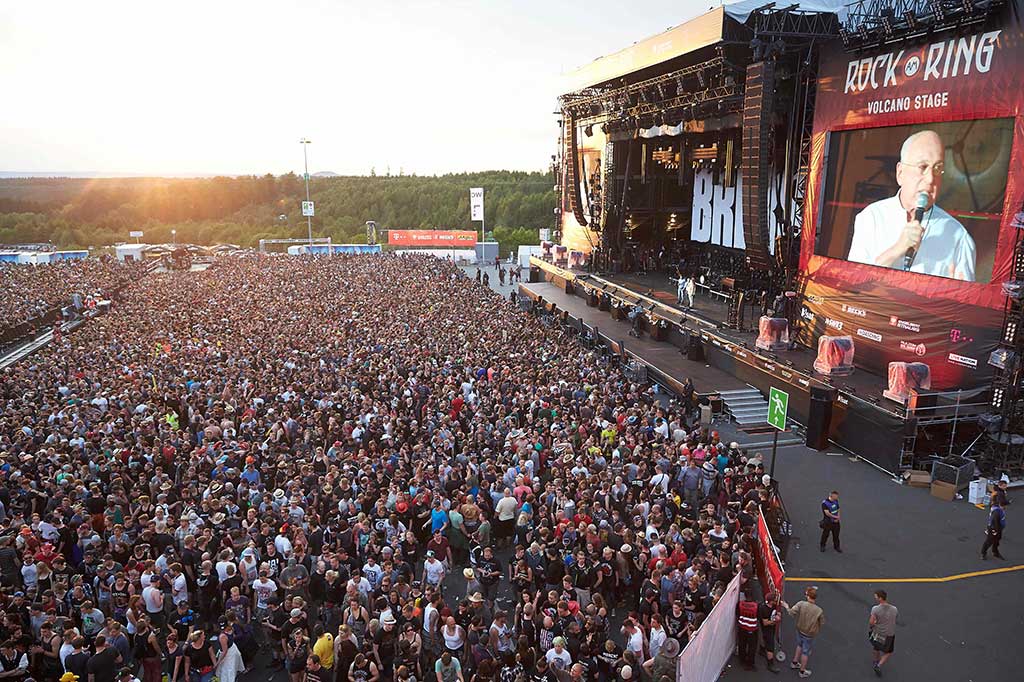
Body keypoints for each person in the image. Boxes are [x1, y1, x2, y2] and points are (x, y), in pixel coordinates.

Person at [847, 129, 975, 281]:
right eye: (923, 167)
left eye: (937, 168)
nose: (930, 179)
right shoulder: (872, 217)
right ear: (900, 173)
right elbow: (853, 283)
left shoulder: (959, 238)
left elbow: (961, 302)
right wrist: (896, 250)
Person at [782, 587, 824, 679]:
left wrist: (786, 606)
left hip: (800, 630)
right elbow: (822, 623)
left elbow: (792, 612)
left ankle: (794, 662)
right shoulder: (819, 610)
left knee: (799, 645)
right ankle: (802, 671)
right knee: (805, 652)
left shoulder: (801, 604)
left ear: (808, 596)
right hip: (809, 634)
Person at [868, 590, 898, 677]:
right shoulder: (894, 609)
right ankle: (879, 665)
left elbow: (871, 622)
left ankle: (876, 662)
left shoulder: (875, 609)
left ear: (880, 598)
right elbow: (895, 618)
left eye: (876, 596)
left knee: (876, 647)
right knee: (888, 652)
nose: (875, 598)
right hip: (889, 634)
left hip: (877, 633)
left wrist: (872, 626)